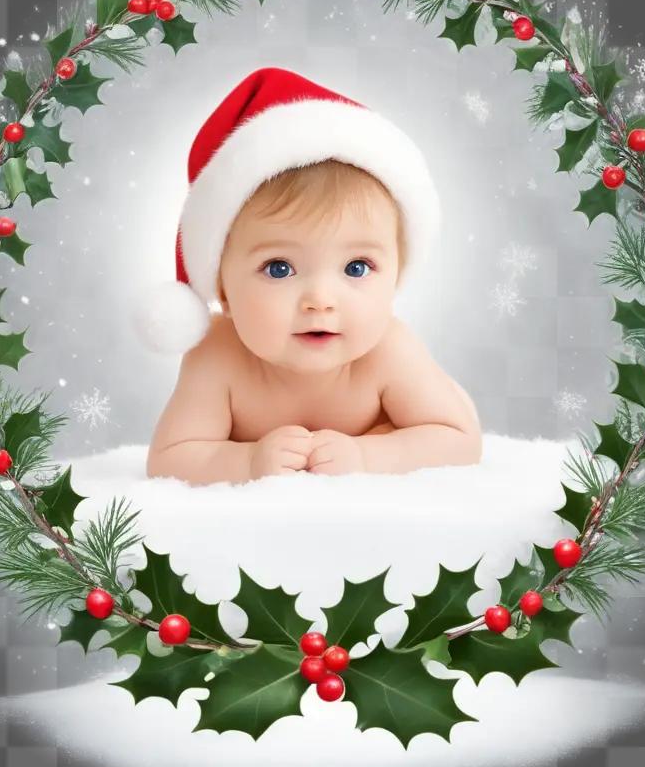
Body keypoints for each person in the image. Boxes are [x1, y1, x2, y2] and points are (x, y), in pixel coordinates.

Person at [133, 67, 482, 485]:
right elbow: (170, 459)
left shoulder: (389, 351)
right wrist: (247, 462)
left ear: (395, 278)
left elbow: (459, 439)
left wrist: (367, 454)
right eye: (279, 269)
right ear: (223, 289)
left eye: (357, 267)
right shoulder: (216, 356)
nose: (320, 299)